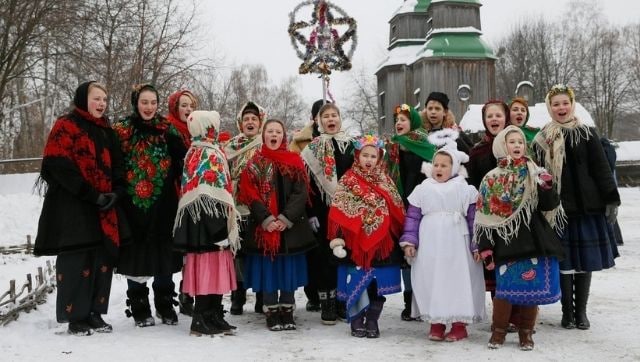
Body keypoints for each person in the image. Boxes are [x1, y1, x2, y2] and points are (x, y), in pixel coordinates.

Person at [34, 81, 128, 336]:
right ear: (83, 99)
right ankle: (76, 317)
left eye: (105, 100)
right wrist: (91, 194)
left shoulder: (107, 131)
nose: (101, 104)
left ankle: (95, 314)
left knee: (101, 261)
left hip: (103, 208)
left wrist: (116, 193)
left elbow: (119, 166)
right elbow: (57, 165)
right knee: (77, 260)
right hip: (73, 207)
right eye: (96, 98)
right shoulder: (67, 125)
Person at [532, 84, 620, 331]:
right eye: (556, 104)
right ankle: (567, 313)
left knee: (583, 262)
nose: (561, 108)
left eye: (565, 103)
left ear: (572, 105)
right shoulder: (543, 138)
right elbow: (537, 173)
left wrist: (611, 199)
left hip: (586, 208)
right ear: (550, 108)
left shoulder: (587, 133)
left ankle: (581, 312)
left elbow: (602, 169)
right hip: (557, 210)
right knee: (564, 262)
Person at [476, 126, 565, 350]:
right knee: (505, 290)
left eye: (520, 142)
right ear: (502, 146)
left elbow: (549, 205)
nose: (517, 145)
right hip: (506, 242)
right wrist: (485, 248)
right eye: (512, 141)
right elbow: (485, 217)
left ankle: (526, 333)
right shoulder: (491, 179)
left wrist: (546, 185)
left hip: (533, 238)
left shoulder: (534, 171)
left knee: (532, 291)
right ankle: (499, 332)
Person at [113, 84, 187, 327]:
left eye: (153, 102)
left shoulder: (167, 129)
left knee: (164, 254)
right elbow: (113, 164)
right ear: (136, 103)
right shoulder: (122, 130)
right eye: (144, 102)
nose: (149, 107)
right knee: (137, 255)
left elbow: (183, 159)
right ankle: (139, 306)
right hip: (132, 206)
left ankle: (165, 304)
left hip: (164, 205)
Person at [400, 133, 485, 342]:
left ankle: (459, 324)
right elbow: (413, 216)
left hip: (457, 242)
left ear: (454, 167)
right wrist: (410, 241)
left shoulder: (464, 188)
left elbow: (475, 218)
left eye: (444, 165)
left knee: (458, 279)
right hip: (430, 241)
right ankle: (436, 321)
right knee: (431, 278)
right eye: (436, 164)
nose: (439, 169)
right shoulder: (423, 188)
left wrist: (477, 245)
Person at [238, 119, 316, 331]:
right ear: (264, 136)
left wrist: (284, 218)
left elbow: (301, 193)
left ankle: (287, 309)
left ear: (283, 136)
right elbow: (250, 194)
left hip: (290, 229)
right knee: (269, 269)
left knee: (287, 269)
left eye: (278, 131)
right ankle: (272, 310)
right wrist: (267, 219)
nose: (274, 135)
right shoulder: (254, 163)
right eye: (270, 131)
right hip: (264, 228)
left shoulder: (294, 160)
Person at [328, 135, 405, 338]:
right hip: (355, 242)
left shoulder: (385, 180)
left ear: (379, 158)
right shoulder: (348, 180)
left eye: (373, 155)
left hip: (382, 244)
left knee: (376, 285)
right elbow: (338, 209)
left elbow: (397, 208)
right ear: (357, 156)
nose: (369, 159)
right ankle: (356, 320)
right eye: (365, 155)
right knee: (357, 280)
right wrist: (337, 239)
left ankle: (372, 319)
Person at [173, 110, 240, 336]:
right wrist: (218, 226)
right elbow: (208, 192)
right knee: (209, 269)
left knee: (216, 268)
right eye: (213, 125)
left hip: (205, 223)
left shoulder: (204, 150)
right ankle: (201, 316)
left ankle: (213, 313)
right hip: (208, 223)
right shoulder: (204, 153)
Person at [301, 103, 355, 325]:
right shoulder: (311, 149)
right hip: (323, 210)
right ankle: (327, 303)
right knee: (325, 257)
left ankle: (343, 300)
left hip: (349, 208)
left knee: (346, 255)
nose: (331, 119)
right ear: (319, 121)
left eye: (334, 115)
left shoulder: (351, 144)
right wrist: (311, 212)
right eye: (326, 116)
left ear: (340, 119)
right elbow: (307, 184)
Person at [384, 104, 435, 321]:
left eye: (404, 119)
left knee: (423, 254)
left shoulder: (426, 144)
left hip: (422, 206)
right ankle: (409, 300)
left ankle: (425, 299)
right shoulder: (392, 147)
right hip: (399, 206)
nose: (399, 123)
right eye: (397, 120)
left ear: (413, 121)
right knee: (407, 253)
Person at [224, 101, 266, 315]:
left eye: (254, 119)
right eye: (246, 119)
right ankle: (237, 295)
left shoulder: (266, 144)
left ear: (261, 122)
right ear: (240, 123)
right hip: (236, 208)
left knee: (259, 253)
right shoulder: (230, 147)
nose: (250, 122)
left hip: (259, 208)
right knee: (237, 253)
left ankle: (260, 295)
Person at [466, 100, 510, 300]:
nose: (494, 119)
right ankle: (500, 313)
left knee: (514, 262)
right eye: (489, 116)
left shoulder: (515, 144)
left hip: (514, 214)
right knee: (493, 263)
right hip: (489, 215)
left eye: (498, 115)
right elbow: (472, 184)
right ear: (484, 120)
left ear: (506, 118)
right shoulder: (477, 151)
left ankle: (519, 313)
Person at [289, 98, 328, 312]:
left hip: (332, 202)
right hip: (309, 203)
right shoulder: (300, 141)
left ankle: (332, 293)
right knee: (312, 252)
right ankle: (313, 294)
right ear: (314, 118)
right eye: (321, 114)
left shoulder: (339, 139)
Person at [165, 88, 198, 316]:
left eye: (191, 106)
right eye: (183, 105)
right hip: (173, 195)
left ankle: (187, 292)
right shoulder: (167, 129)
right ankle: (165, 296)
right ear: (175, 107)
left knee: (191, 247)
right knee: (175, 248)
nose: (188, 110)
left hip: (192, 195)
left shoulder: (197, 132)